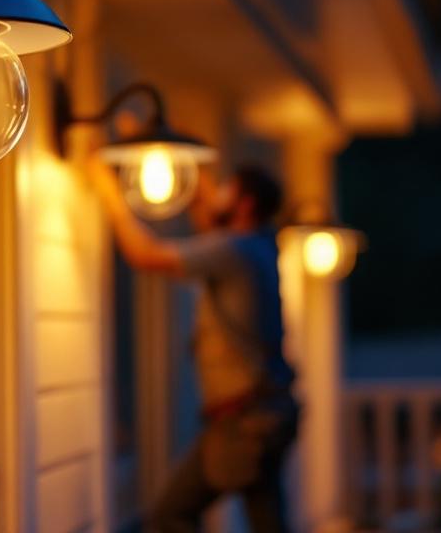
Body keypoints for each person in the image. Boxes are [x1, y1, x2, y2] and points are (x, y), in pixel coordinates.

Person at [88, 157, 298, 533]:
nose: (215, 193)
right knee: (268, 520)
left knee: (171, 513)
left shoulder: (233, 251)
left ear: (244, 204)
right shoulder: (261, 245)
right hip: (268, 414)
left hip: (243, 425)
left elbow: (145, 255)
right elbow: (210, 215)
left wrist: (109, 193)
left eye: (226, 188)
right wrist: (178, 155)